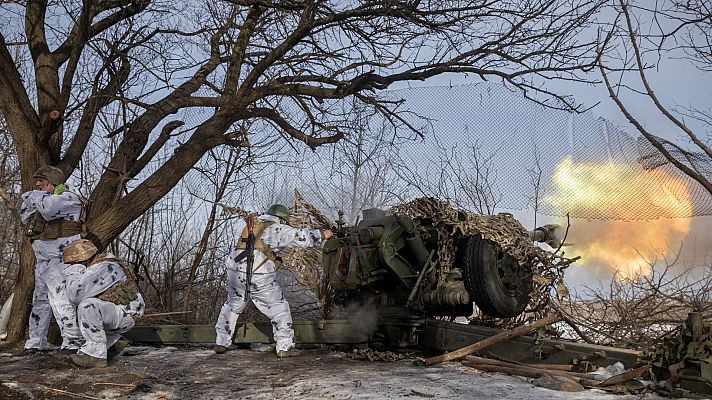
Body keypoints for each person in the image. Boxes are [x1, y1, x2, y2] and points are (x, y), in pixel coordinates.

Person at [214, 204, 332, 358]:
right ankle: (284, 346)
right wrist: (323, 235)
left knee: (233, 305)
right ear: (282, 219)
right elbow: (301, 237)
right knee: (278, 308)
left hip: (235, 269)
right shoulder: (276, 228)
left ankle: (221, 342)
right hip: (258, 272)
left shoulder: (255, 224)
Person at [19, 165, 83, 354]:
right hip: (43, 260)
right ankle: (36, 341)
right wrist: (34, 198)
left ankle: (72, 341)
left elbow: (48, 209)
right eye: (37, 181)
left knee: (60, 299)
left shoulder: (69, 198)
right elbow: (25, 214)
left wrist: (33, 196)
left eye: (42, 181)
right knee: (40, 301)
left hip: (61, 259)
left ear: (53, 183)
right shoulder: (45, 198)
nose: (37, 184)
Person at [61, 239, 145, 367]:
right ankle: (112, 343)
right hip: (124, 312)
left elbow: (75, 295)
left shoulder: (102, 268)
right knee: (92, 305)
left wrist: (74, 271)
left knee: (87, 306)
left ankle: (95, 355)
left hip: (126, 314)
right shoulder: (106, 264)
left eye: (73, 263)